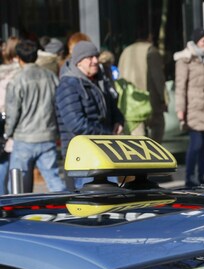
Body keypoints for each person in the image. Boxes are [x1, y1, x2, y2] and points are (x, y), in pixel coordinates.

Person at [55, 41, 124, 188]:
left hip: (104, 152)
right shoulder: (68, 85)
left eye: (96, 56)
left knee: (112, 200)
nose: (95, 61)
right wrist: (107, 134)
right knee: (90, 204)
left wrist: (118, 120)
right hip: (82, 157)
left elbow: (111, 106)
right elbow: (76, 124)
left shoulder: (99, 79)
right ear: (79, 61)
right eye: (90, 57)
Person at [4, 40, 66, 193]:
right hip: (47, 134)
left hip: (24, 137)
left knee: (17, 182)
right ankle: (64, 209)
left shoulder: (17, 80)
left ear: (18, 58)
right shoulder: (50, 76)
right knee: (53, 179)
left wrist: (8, 132)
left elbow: (12, 112)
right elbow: (58, 104)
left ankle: (16, 213)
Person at [174, 28, 204, 188]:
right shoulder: (185, 60)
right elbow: (180, 87)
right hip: (193, 107)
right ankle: (189, 177)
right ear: (196, 42)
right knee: (196, 144)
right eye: (203, 41)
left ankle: (202, 176)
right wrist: (180, 110)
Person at [117, 31, 166, 141]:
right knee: (157, 132)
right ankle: (154, 156)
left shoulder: (126, 51)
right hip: (150, 101)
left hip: (130, 104)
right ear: (149, 37)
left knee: (138, 142)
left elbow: (119, 79)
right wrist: (164, 99)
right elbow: (158, 78)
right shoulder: (151, 51)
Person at [0, 36, 20, 194]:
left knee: (4, 166)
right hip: (14, 125)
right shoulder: (18, 74)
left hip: (6, 123)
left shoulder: (5, 74)